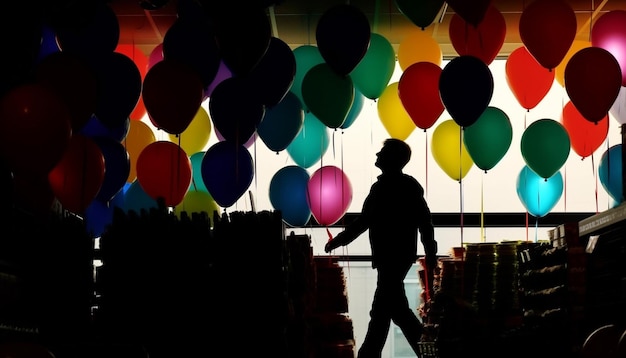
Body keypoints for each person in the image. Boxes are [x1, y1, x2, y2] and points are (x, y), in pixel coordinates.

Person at [324, 138, 438, 358]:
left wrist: (338, 241)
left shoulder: (382, 188)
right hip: (400, 256)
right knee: (389, 311)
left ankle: (425, 352)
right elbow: (425, 221)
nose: (377, 155)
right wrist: (430, 251)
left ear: (392, 159)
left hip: (389, 258)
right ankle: (425, 352)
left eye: (382, 152)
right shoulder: (408, 187)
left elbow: (362, 222)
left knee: (389, 311)